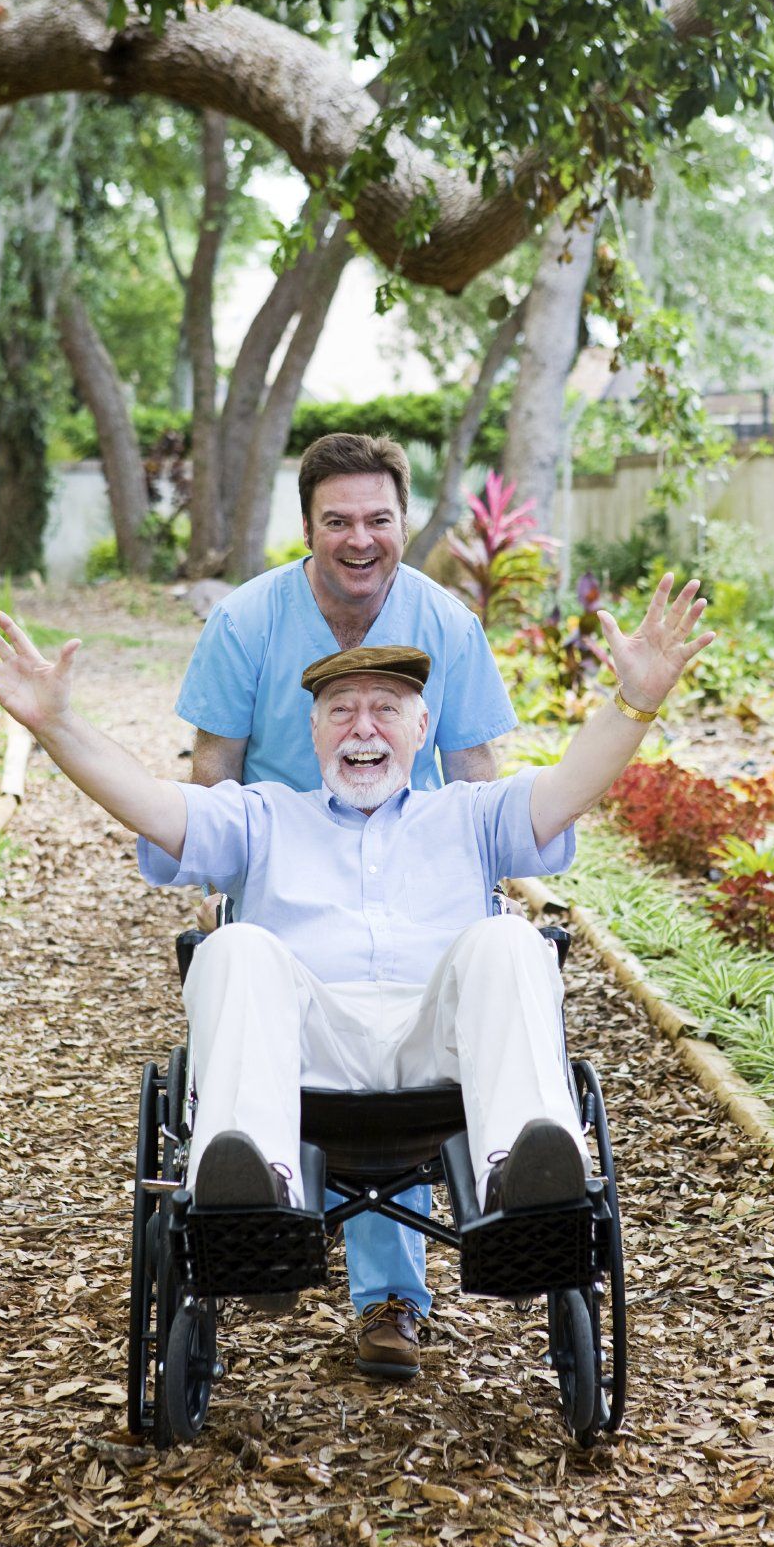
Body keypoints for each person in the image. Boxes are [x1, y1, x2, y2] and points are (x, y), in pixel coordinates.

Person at [0, 574, 714, 1372]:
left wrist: (635, 701)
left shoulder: (470, 815)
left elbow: (565, 790)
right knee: (234, 947)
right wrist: (57, 724)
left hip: (439, 1051)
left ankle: (522, 1188)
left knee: (512, 940)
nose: (364, 728)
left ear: (422, 728)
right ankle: (254, 1196)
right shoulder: (262, 817)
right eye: (343, 710)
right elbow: (153, 805)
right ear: (313, 730)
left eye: (386, 709)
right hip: (306, 1056)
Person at [174, 432, 518, 1375]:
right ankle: (263, 1211)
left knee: (404, 993)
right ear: (308, 529)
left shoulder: (446, 624)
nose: (358, 540)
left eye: (377, 519)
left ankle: (392, 1301)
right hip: (285, 867)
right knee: (270, 977)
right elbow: (213, 776)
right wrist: (230, 890)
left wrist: (481, 915)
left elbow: (477, 779)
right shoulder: (247, 625)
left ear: (405, 522)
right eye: (338, 521)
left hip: (402, 873)